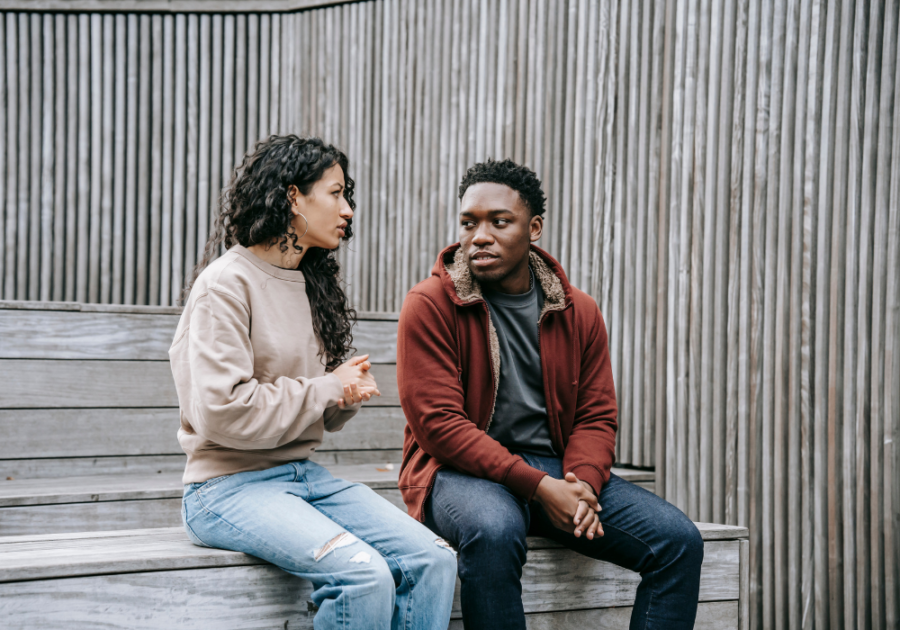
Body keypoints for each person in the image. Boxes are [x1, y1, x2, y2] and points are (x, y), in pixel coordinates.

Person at [397, 158, 705, 630]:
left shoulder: (578, 310)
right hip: (458, 472)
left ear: (534, 227)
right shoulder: (431, 304)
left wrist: (579, 483)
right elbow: (440, 426)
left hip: (555, 467)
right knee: (494, 529)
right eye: (468, 223)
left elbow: (596, 415)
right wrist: (542, 489)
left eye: (499, 222)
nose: (479, 236)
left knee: (678, 540)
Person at [170, 135, 457, 630]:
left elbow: (310, 406)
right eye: (335, 193)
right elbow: (222, 411)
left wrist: (343, 394)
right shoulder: (225, 284)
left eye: (347, 196)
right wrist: (326, 387)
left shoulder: (309, 283)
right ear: (292, 198)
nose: (347, 209)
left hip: (300, 477)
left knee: (432, 559)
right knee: (362, 574)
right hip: (224, 488)